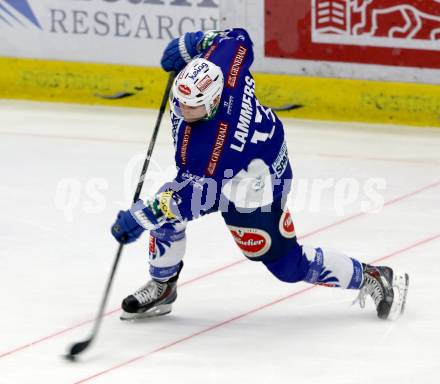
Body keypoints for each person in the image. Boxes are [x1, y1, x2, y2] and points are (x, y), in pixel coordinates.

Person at [111, 28, 409, 321]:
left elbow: (191, 196)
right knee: (166, 212)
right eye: (181, 101)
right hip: (249, 155)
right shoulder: (223, 66)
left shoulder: (216, 142)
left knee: (286, 265)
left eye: (193, 106)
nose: (183, 109)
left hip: (254, 184)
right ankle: (163, 286)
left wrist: (140, 218)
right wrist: (193, 43)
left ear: (214, 102)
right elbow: (238, 38)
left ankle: (374, 276)